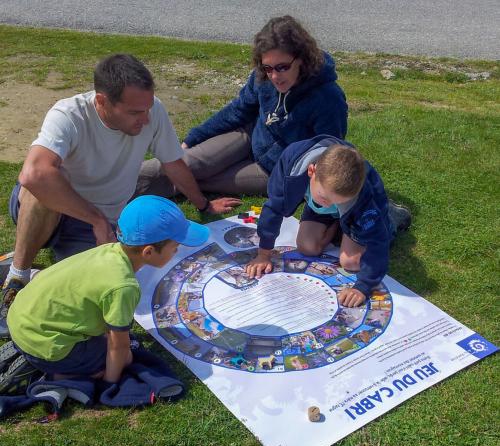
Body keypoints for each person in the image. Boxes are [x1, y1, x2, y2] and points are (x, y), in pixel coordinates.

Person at [0, 53, 239, 335]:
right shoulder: (69, 114)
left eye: (147, 108)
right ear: (102, 101)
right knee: (40, 186)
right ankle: (18, 276)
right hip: (61, 211)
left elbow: (173, 163)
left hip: (104, 222)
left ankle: (38, 267)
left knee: (106, 288)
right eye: (135, 112)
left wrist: (203, 204)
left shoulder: (152, 112)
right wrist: (96, 220)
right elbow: (34, 174)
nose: (146, 118)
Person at [5, 196, 209, 384]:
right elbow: (118, 346)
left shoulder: (107, 251)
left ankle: (41, 355)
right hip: (43, 344)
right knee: (126, 356)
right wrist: (110, 381)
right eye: (175, 247)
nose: (177, 251)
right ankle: (60, 375)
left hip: (20, 320)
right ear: (148, 252)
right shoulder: (123, 286)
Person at [144, 15, 348, 197]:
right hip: (249, 136)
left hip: (276, 169)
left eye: (282, 67)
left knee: (197, 180)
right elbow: (238, 110)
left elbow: (328, 149)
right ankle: (117, 181)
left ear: (302, 59)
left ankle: (140, 194)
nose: (275, 76)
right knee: (185, 163)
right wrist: (193, 137)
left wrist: (308, 185)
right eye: (268, 68)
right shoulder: (263, 78)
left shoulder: (328, 98)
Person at [245, 135, 410, 307]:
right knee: (307, 247)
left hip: (357, 210)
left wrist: (363, 287)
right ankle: (339, 223)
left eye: (337, 201)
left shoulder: (365, 193)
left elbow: (378, 240)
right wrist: (263, 254)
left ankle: (391, 217)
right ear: (311, 171)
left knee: (350, 261)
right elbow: (274, 207)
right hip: (324, 210)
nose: (329, 203)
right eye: (324, 197)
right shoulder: (292, 161)